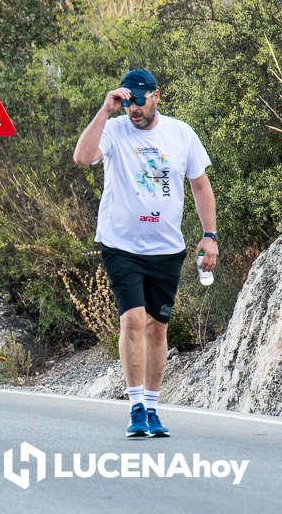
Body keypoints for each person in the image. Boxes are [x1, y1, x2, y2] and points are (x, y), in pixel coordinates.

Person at [73, 68, 219, 437]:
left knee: (157, 327)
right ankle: (136, 405)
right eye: (127, 101)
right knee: (133, 320)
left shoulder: (180, 133)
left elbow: (200, 187)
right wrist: (105, 111)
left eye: (138, 100)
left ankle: (153, 408)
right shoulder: (114, 129)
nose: (133, 108)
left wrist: (209, 235)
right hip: (121, 244)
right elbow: (82, 157)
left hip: (167, 249)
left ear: (156, 96)